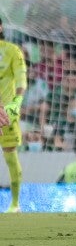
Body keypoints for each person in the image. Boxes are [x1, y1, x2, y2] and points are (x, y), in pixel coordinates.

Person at [0, 16, 27, 213]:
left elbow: (20, 80)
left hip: (6, 113)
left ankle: (15, 203)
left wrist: (16, 102)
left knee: (10, 155)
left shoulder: (11, 51)